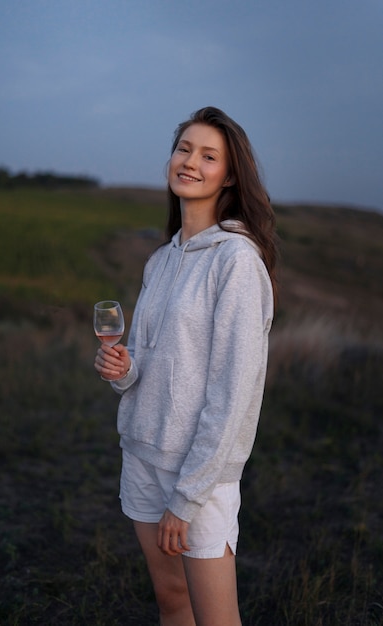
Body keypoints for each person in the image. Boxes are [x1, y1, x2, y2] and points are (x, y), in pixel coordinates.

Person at [94, 106, 278, 626]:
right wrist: (124, 369)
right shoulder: (162, 259)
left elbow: (233, 389)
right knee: (171, 603)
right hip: (143, 456)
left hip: (199, 475)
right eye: (183, 149)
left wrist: (188, 497)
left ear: (230, 174)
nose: (190, 161)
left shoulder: (236, 262)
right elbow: (157, 363)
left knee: (217, 619)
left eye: (208, 155)